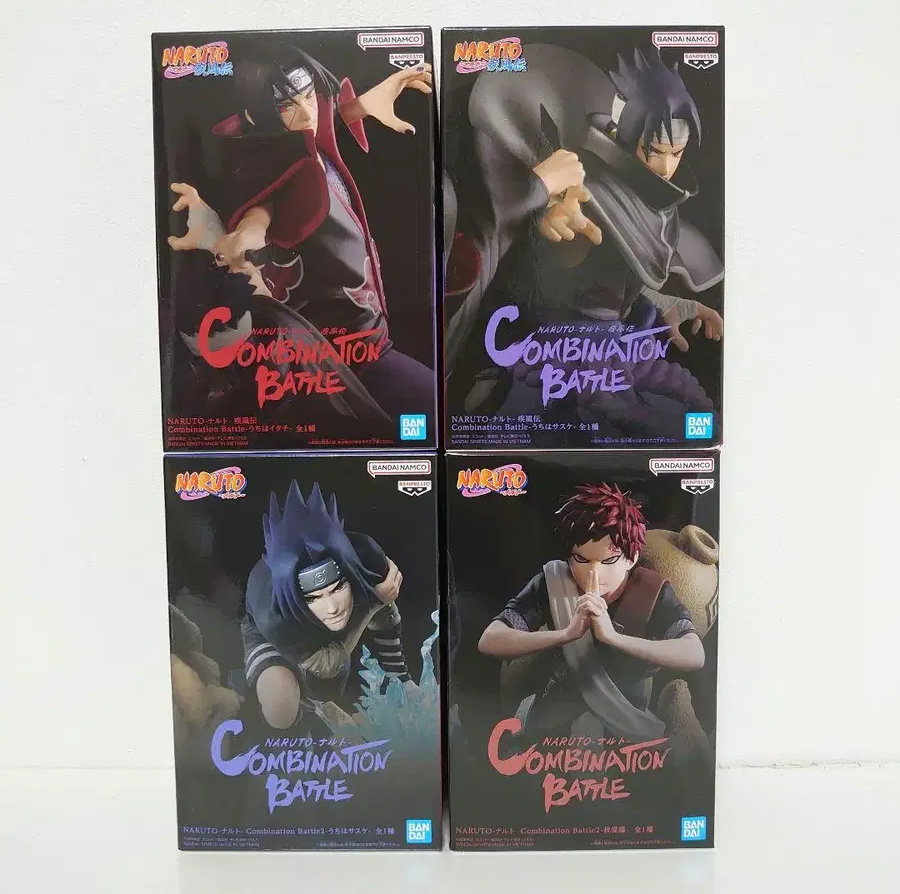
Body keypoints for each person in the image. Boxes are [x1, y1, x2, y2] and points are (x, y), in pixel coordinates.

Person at [445, 44, 723, 436]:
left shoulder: (651, 209)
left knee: (692, 418)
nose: (666, 167)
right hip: (557, 353)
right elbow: (551, 272)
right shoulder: (586, 186)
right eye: (655, 151)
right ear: (631, 135)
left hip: (611, 348)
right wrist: (545, 221)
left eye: (677, 153)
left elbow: (614, 277)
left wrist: (672, 304)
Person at [167, 43, 435, 426]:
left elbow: (318, 127)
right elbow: (264, 205)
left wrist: (360, 105)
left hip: (364, 334)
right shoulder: (281, 172)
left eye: (309, 96)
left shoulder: (304, 142)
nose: (307, 112)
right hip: (350, 352)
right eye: (286, 106)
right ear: (258, 115)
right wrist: (245, 234)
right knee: (426, 411)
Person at [478, 482, 704, 740]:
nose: (594, 572)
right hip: (555, 713)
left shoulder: (652, 591)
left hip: (627, 719)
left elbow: (694, 654)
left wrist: (613, 637)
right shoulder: (553, 581)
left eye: (609, 560)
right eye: (582, 559)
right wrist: (565, 634)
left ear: (631, 558)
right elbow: (490, 640)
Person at [241, 481, 412, 729]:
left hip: (330, 644)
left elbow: (386, 612)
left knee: (334, 685)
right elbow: (327, 666)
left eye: (337, 588)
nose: (332, 607)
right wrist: (374, 602)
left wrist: (401, 676)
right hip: (277, 638)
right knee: (281, 711)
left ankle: (321, 701)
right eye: (313, 597)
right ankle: (310, 710)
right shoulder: (271, 614)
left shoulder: (367, 557)